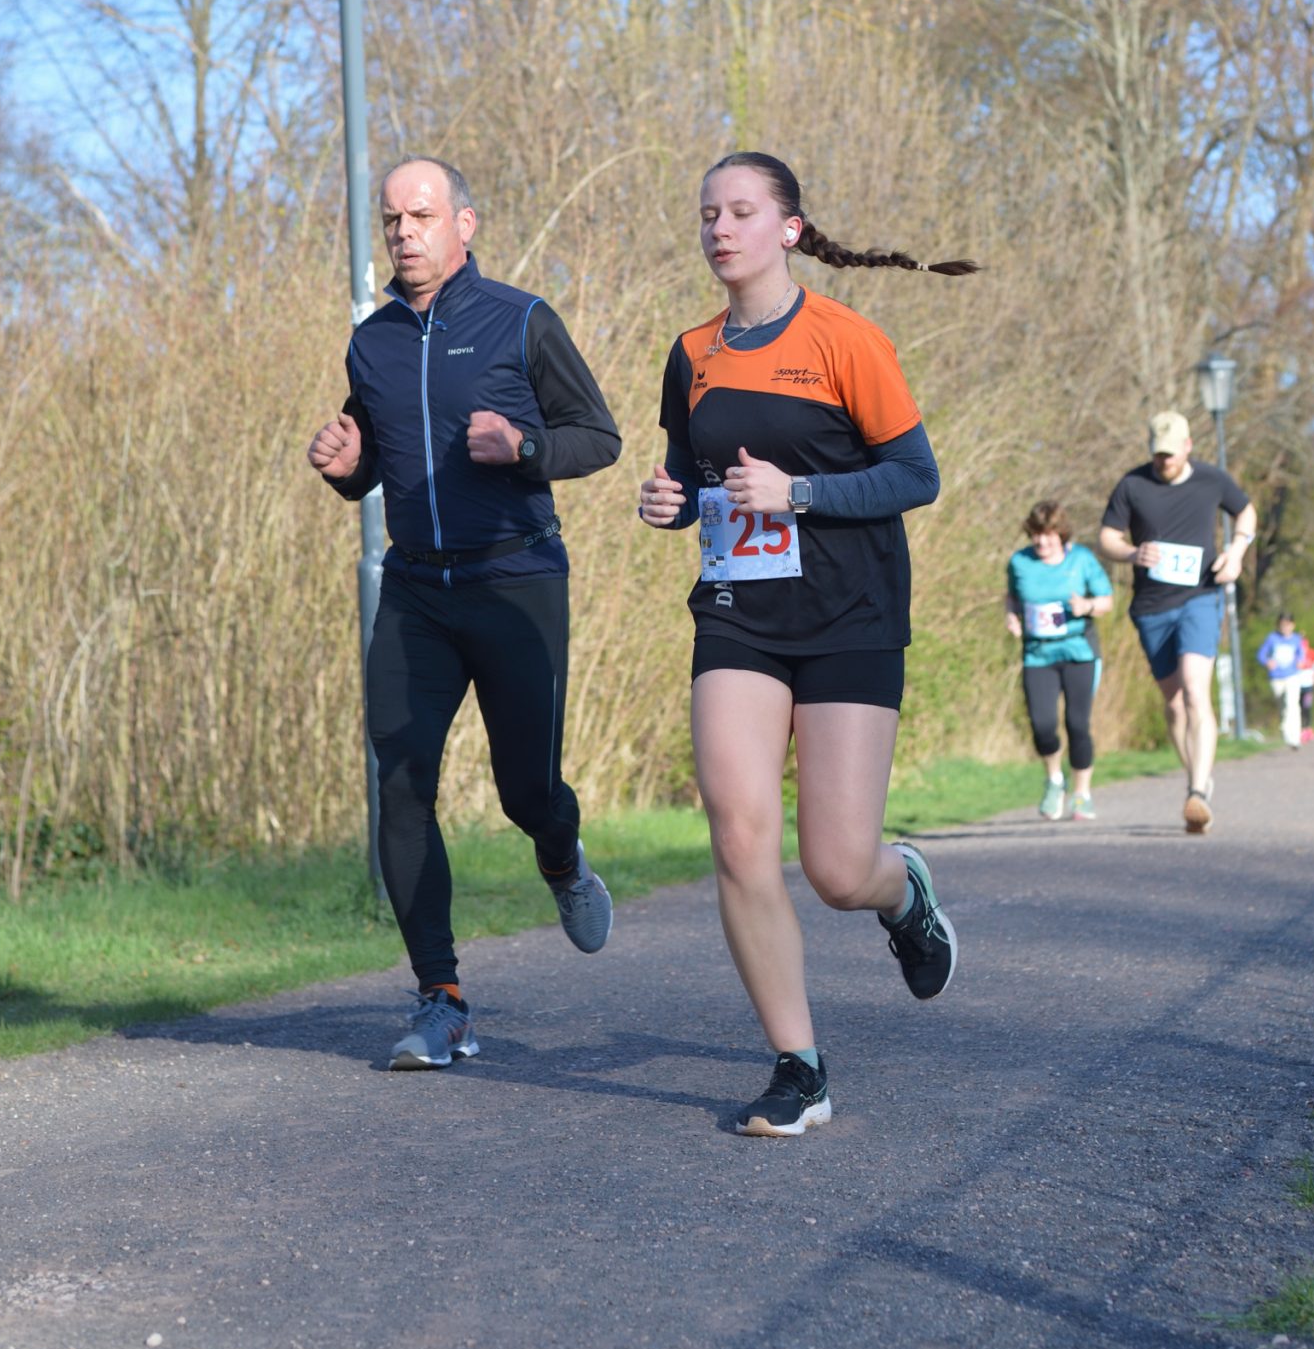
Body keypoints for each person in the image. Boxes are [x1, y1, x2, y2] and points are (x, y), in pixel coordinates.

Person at [637, 152, 975, 1139]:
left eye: (741, 211)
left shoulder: (845, 338)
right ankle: (799, 1066)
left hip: (849, 614)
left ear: (788, 228)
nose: (720, 228)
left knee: (836, 869)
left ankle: (901, 891)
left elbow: (916, 476)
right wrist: (667, 501)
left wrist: (802, 493)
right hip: (738, 612)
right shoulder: (691, 352)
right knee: (739, 833)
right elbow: (692, 473)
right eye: (708, 213)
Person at [307, 157, 622, 1072]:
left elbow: (598, 437)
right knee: (401, 782)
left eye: (421, 215)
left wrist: (523, 448)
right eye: (392, 219)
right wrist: (347, 470)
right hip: (416, 591)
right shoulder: (371, 343)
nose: (404, 233)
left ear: (464, 224)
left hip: (516, 579)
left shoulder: (522, 320)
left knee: (528, 792)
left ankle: (560, 857)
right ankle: (440, 999)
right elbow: (373, 455)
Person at [1099, 411, 1256, 835]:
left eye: (1170, 453)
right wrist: (1132, 553)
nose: (1163, 461)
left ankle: (1198, 791)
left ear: (1188, 446)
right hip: (1151, 607)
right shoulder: (1132, 485)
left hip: (1200, 597)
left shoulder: (1211, 480)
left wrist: (1237, 552)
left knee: (1194, 689)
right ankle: (1197, 779)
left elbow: (1246, 512)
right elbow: (1107, 537)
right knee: (1173, 703)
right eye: (1158, 453)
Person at [1004, 499, 1113, 820]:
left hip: (1079, 652)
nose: (1042, 542)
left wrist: (1087, 606)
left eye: (1049, 535)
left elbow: (1106, 600)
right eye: (1036, 535)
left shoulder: (1081, 560)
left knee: (1077, 724)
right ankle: (1054, 779)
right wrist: (1011, 617)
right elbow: (1012, 596)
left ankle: (1082, 794)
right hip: (1038, 655)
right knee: (1042, 726)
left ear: (1061, 534)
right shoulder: (1020, 562)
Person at [1254, 611, 1314, 749]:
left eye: (1288, 625)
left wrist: (1300, 661)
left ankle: (1294, 738)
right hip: (1276, 677)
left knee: (1292, 704)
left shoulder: (1297, 639)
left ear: (1293, 625)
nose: (1285, 628)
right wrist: (1267, 661)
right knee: (1283, 706)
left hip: (1292, 676)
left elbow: (1301, 654)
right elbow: (1261, 655)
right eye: (1282, 625)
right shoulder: (1272, 638)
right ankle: (1286, 731)